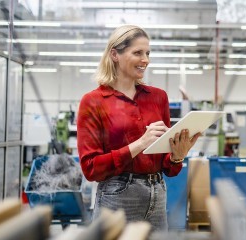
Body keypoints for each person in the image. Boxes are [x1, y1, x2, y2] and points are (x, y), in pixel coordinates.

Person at [76, 25, 201, 230]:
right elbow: (91, 169)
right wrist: (140, 143)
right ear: (115, 55)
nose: (146, 60)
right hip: (117, 197)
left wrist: (178, 155)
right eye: (138, 53)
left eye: (148, 53)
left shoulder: (158, 97)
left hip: (157, 193)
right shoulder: (93, 101)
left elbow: (168, 166)